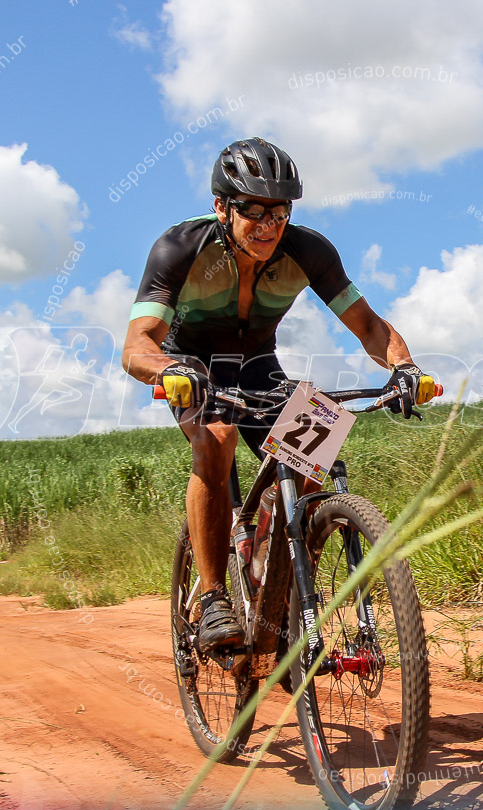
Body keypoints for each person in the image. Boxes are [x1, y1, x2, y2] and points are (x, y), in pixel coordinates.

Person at [121, 137, 435, 652]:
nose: (268, 225)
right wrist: (167, 370)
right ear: (222, 207)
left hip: (259, 366)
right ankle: (214, 598)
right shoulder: (179, 249)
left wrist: (404, 367)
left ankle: (277, 583)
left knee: (318, 438)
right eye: (253, 211)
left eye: (280, 212)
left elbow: (369, 326)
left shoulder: (309, 251)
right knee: (216, 438)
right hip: (194, 366)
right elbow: (137, 345)